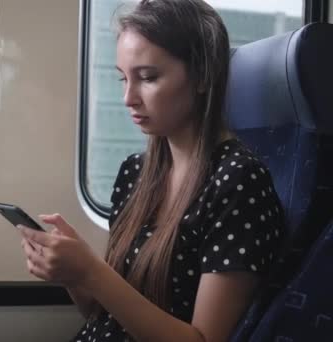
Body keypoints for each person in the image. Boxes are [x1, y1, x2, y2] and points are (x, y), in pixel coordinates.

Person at [17, 0, 285, 341]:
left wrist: (93, 271)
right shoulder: (135, 173)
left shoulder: (238, 181)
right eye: (123, 79)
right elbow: (103, 319)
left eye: (148, 77)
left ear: (202, 76)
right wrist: (74, 274)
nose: (128, 97)